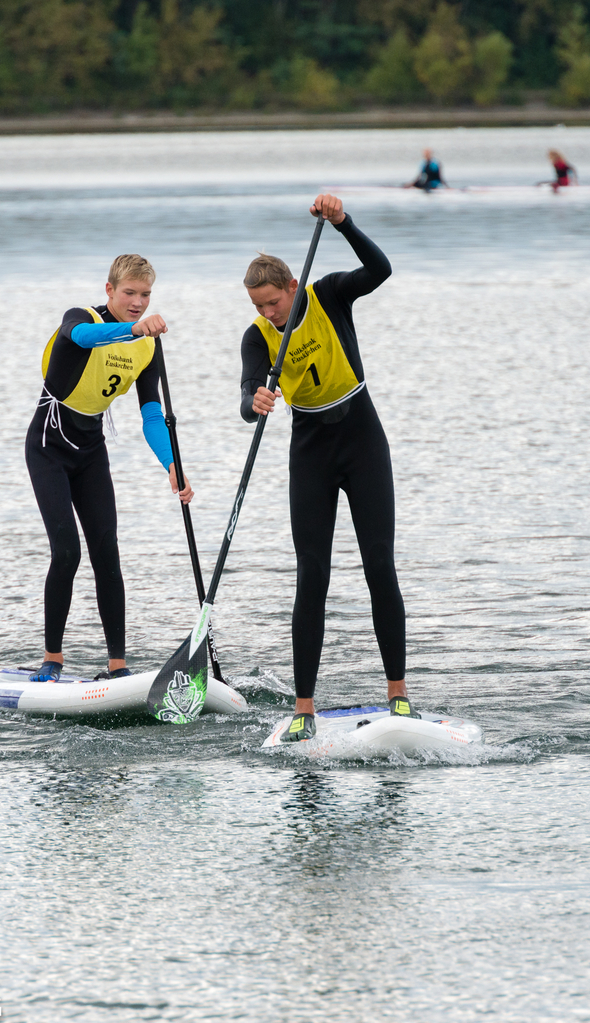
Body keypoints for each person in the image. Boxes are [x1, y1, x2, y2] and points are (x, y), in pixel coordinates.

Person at [240, 194, 416, 743]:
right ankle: (304, 709)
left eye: (273, 302)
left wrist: (343, 223)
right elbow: (248, 393)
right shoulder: (257, 335)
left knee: (378, 566)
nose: (268, 313)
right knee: (311, 575)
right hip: (310, 450)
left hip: (363, 440)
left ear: (292, 287)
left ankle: (399, 695)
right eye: (259, 306)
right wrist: (255, 404)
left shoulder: (329, 294)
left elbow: (381, 269)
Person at [25, 254, 192, 683]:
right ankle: (52, 659)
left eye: (145, 295)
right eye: (129, 293)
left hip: (91, 449)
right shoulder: (81, 317)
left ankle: (117, 666)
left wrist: (172, 463)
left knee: (107, 552)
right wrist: (133, 328)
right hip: (48, 445)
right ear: (109, 291)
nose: (138, 302)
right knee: (67, 550)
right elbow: (79, 337)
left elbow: (152, 415)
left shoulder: (147, 345)